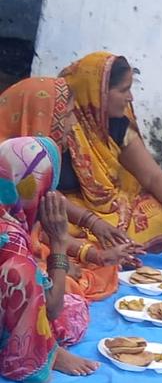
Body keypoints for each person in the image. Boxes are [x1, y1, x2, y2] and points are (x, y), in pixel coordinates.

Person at [56, 52, 162, 254]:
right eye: (124, 90)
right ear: (98, 93)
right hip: (68, 209)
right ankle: (98, 251)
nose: (131, 98)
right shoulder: (60, 124)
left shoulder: (116, 123)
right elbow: (43, 194)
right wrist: (92, 221)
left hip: (110, 208)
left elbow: (152, 176)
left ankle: (115, 247)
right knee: (55, 229)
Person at [0, 76, 143, 300]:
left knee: (101, 266)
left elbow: (41, 212)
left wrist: (97, 251)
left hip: (31, 244)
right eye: (66, 115)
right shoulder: (14, 163)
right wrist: (60, 260)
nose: (72, 123)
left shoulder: (26, 168)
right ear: (40, 116)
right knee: (65, 290)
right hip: (19, 262)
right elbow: (51, 306)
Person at [1, 137, 98, 383]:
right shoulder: (11, 239)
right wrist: (59, 242)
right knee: (68, 312)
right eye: (48, 189)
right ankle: (36, 354)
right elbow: (52, 308)